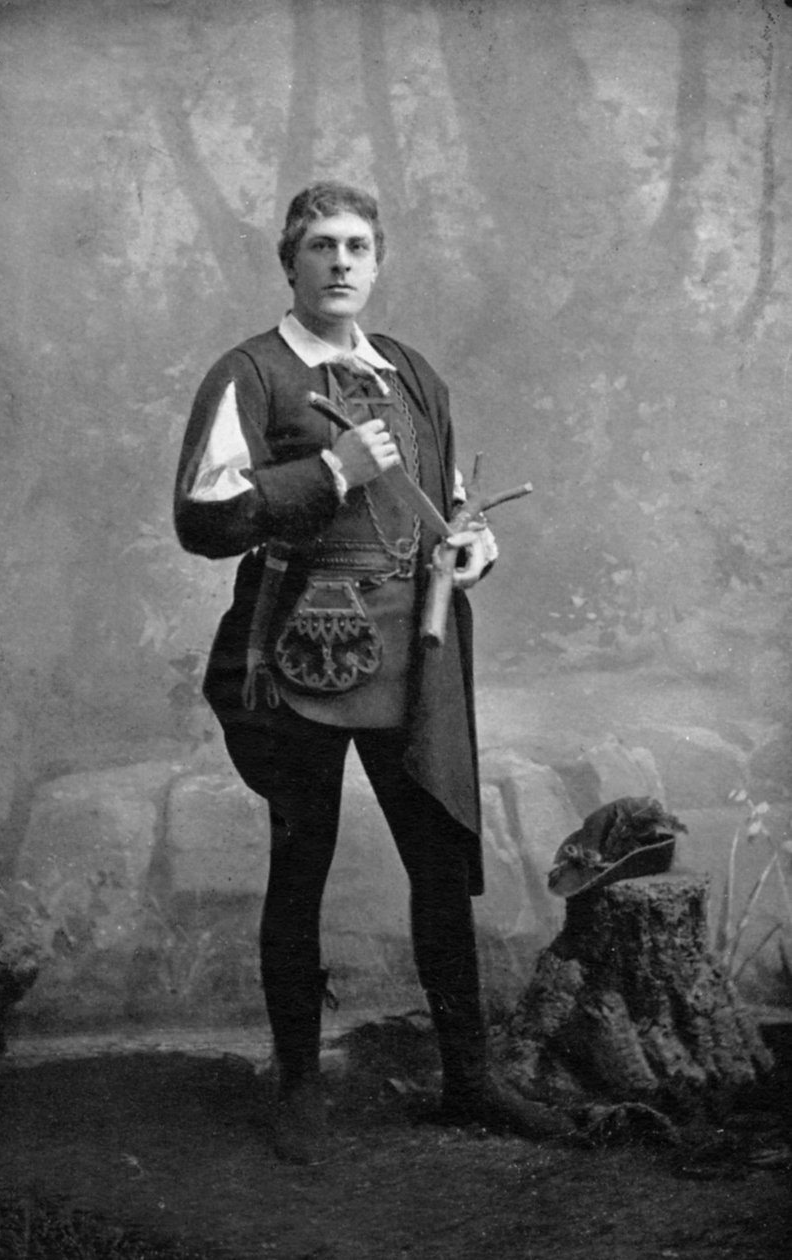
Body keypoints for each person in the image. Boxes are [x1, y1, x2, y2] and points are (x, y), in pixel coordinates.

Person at [174, 180, 565, 1163]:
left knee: (435, 862)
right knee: (299, 863)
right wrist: (330, 471)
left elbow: (449, 503)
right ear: (290, 262)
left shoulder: (408, 372)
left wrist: (471, 548)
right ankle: (300, 1090)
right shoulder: (250, 373)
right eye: (320, 246)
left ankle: (468, 1078)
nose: (340, 262)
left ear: (377, 261)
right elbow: (202, 521)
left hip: (413, 651)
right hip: (296, 650)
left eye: (356, 246)